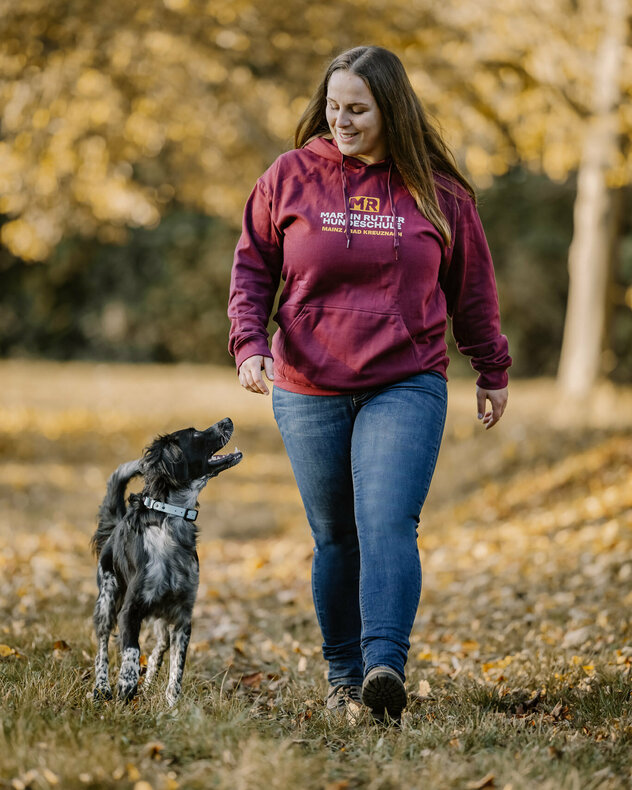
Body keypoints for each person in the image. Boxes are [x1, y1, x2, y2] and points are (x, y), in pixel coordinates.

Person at [227, 45, 511, 721]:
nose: (343, 121)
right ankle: (343, 676)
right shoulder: (289, 177)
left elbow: (472, 290)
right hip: (307, 381)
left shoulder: (439, 192)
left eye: (357, 109)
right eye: (333, 108)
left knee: (386, 521)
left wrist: (491, 366)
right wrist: (248, 343)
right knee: (335, 536)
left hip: (405, 379)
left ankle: (385, 668)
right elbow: (252, 269)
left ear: (391, 109)